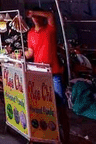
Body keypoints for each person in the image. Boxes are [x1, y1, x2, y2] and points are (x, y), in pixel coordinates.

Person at [25, 10, 70, 143]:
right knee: (42, 106)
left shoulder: (50, 29)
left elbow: (50, 15)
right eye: (34, 17)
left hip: (54, 73)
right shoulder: (31, 33)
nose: (36, 19)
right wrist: (19, 54)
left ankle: (66, 138)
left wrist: (34, 12)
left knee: (60, 106)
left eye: (38, 16)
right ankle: (44, 136)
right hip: (39, 74)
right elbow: (30, 53)